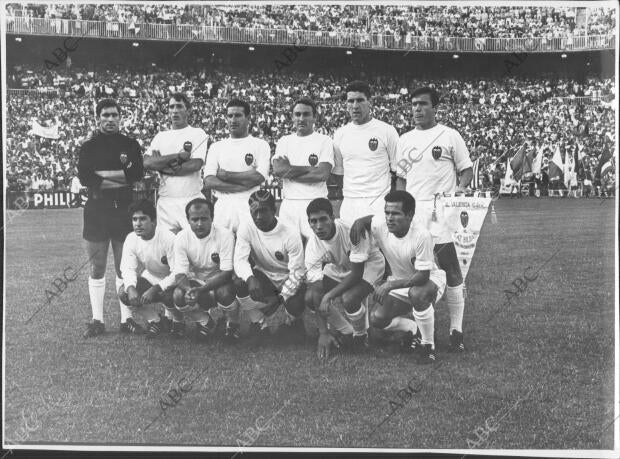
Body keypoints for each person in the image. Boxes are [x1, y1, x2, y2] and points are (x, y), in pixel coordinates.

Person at [395, 86, 472, 353]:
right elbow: (401, 179)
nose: (417, 109)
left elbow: (466, 169)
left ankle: (456, 330)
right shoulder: (404, 140)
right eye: (414, 104)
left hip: (441, 212)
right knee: (413, 271)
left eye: (423, 104)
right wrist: (399, 207)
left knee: (451, 267)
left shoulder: (450, 135)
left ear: (434, 107)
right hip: (414, 215)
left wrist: (460, 189)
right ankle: (419, 330)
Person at [351, 191, 446, 363]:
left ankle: (428, 345)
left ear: (410, 215)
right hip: (400, 282)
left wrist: (388, 286)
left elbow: (422, 277)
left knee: (417, 294)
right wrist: (358, 222)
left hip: (430, 280)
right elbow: (369, 220)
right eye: (387, 212)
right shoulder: (381, 224)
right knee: (377, 319)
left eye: (395, 213)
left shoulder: (421, 235)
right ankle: (414, 328)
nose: (389, 218)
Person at [78, 98, 144, 338]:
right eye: (105, 115)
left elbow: (136, 173)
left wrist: (103, 178)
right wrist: (119, 177)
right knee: (97, 267)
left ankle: (127, 320)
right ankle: (98, 321)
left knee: (122, 267)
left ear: (120, 117)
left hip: (123, 210)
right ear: (98, 118)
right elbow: (86, 177)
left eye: (114, 115)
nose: (110, 119)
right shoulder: (89, 146)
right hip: (96, 210)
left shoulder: (130, 144)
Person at [304, 198, 386, 360]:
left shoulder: (351, 231)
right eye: (313, 221)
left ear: (332, 217)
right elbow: (316, 290)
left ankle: (360, 336)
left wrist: (328, 296)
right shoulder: (313, 245)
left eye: (323, 219)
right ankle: (347, 331)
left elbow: (356, 274)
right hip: (342, 267)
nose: (319, 226)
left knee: (349, 298)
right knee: (310, 297)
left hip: (370, 265)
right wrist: (323, 333)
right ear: (309, 223)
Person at [233, 190, 305, 345]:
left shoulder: (290, 232)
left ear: (274, 210)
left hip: (288, 277)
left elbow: (298, 273)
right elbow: (239, 261)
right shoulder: (246, 227)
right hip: (265, 276)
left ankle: (293, 322)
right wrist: (250, 278)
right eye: (255, 211)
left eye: (263, 210)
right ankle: (259, 324)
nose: (258, 216)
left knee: (295, 302)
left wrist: (279, 298)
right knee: (239, 283)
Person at [171, 198, 239, 341]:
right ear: (188, 220)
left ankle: (232, 324)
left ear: (212, 218)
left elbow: (226, 274)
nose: (199, 224)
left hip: (220, 282)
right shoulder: (181, 238)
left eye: (204, 219)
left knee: (225, 292)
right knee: (178, 294)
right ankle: (205, 322)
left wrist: (200, 291)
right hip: (197, 282)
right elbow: (180, 274)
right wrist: (189, 290)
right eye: (195, 219)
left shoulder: (226, 235)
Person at [332, 80, 399, 225]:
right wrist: (351, 193)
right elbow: (339, 173)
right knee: (351, 246)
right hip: (350, 203)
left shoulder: (387, 131)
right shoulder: (340, 134)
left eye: (360, 100)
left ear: (370, 102)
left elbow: (397, 170)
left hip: (378, 202)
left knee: (379, 247)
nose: (355, 106)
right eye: (351, 101)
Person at [143, 93, 209, 234]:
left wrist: (161, 166)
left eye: (179, 106)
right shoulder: (160, 137)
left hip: (191, 199)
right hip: (166, 201)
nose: (175, 110)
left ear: (188, 110)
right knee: (168, 250)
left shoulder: (198, 133)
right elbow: (147, 162)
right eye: (171, 107)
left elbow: (194, 165)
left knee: (195, 249)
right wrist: (179, 157)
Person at [203, 99, 271, 233]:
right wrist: (242, 185)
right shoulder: (217, 147)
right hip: (223, 204)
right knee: (223, 249)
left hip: (250, 204)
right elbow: (209, 180)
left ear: (248, 118)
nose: (233, 120)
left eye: (238, 115)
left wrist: (226, 175)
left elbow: (259, 176)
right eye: (230, 116)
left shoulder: (260, 145)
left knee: (248, 250)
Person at [272, 98, 334, 241]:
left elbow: (322, 174)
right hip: (289, 204)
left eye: (306, 114)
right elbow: (278, 170)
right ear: (292, 117)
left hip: (315, 202)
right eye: (297, 114)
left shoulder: (324, 141)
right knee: (291, 251)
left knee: (317, 251)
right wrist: (309, 168)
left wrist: (289, 171)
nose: (301, 118)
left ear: (314, 117)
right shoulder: (284, 141)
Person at [118, 199, 175, 338]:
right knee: (124, 293)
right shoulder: (131, 238)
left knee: (172, 296)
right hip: (152, 276)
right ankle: (156, 321)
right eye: (134, 219)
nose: (137, 223)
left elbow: (178, 272)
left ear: (154, 221)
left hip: (174, 281)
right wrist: (131, 288)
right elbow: (127, 268)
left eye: (143, 219)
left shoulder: (168, 237)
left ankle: (192, 321)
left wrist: (156, 288)